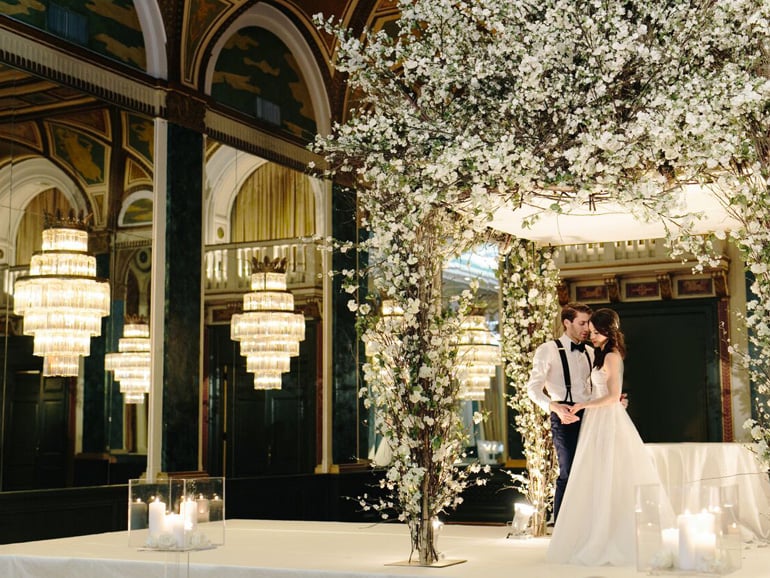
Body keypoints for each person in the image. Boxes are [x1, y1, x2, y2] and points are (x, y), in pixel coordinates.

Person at [546, 308, 672, 566]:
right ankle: (591, 532)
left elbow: (613, 396)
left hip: (606, 418)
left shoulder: (612, 356)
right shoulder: (598, 354)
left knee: (612, 472)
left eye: (594, 332)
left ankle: (614, 534)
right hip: (596, 420)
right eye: (588, 330)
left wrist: (583, 405)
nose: (590, 335)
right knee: (593, 474)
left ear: (607, 332)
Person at [526, 302, 594, 523]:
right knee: (568, 470)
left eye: (588, 323)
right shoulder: (548, 349)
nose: (586, 328)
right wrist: (554, 407)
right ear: (567, 323)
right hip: (563, 414)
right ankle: (562, 526)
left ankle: (588, 523)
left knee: (592, 469)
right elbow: (533, 389)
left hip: (591, 414)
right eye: (582, 323)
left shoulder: (592, 352)